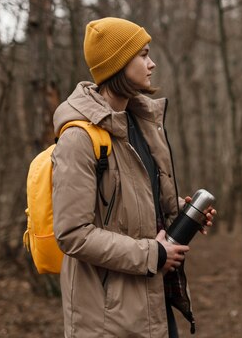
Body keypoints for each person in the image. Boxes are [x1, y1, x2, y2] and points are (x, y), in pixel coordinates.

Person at [51, 17, 215, 338]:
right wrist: (152, 254)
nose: (151, 63)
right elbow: (72, 233)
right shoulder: (78, 138)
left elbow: (139, 209)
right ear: (118, 64)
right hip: (107, 317)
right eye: (142, 55)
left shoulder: (140, 123)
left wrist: (181, 216)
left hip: (153, 300)